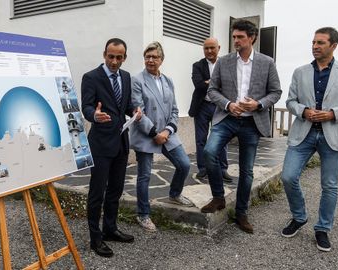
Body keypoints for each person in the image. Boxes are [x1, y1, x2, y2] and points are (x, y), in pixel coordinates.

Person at [200, 20, 282, 234]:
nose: (235, 40)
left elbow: (275, 92)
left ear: (252, 37)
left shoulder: (267, 62)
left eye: (240, 37)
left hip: (251, 122)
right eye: (234, 36)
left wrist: (258, 104)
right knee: (209, 152)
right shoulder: (224, 61)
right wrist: (228, 104)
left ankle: (241, 213)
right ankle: (218, 197)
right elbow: (212, 90)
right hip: (226, 118)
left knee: (247, 171)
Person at [280, 27, 338, 252]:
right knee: (288, 176)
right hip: (304, 133)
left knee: (329, 185)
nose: (315, 46)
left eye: (320, 43)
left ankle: (323, 229)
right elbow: (290, 101)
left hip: (332, 134)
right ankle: (299, 217)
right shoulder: (300, 72)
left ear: (334, 45)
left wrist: (333, 113)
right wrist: (304, 111)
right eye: (313, 42)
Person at [81, 38, 141, 257]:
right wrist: (94, 115)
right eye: (111, 56)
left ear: (124, 57)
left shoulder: (125, 77)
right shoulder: (91, 77)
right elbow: (86, 105)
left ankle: (110, 229)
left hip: (121, 142)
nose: (114, 61)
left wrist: (134, 110)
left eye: (119, 57)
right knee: (97, 193)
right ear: (104, 54)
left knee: (115, 190)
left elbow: (123, 105)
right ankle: (95, 239)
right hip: (100, 143)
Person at [130, 41, 192, 232]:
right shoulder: (137, 80)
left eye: (154, 57)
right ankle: (143, 215)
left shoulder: (168, 81)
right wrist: (154, 133)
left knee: (184, 164)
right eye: (147, 56)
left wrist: (167, 131)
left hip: (166, 132)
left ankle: (174, 193)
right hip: (146, 132)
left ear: (161, 59)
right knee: (144, 176)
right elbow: (137, 110)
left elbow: (174, 110)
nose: (150, 60)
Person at [189, 37, 232, 182]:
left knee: (222, 139)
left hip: (220, 107)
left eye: (212, 48)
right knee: (200, 140)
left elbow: (229, 85)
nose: (209, 51)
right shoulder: (197, 65)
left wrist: (208, 81)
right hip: (201, 107)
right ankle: (203, 168)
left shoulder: (226, 64)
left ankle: (223, 168)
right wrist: (215, 82)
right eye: (206, 48)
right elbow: (198, 85)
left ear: (218, 48)